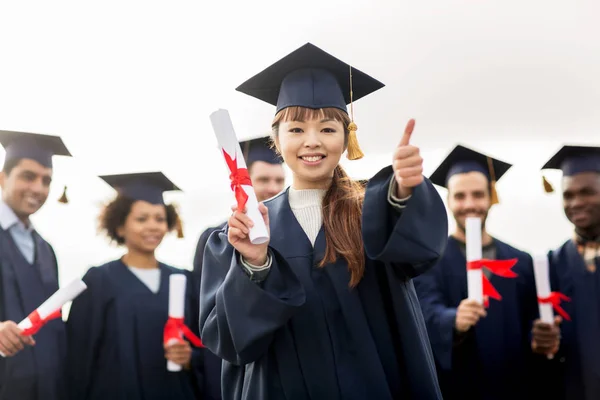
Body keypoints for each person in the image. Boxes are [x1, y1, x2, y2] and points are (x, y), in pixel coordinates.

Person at [199, 42, 448, 399]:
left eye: (328, 129)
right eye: (296, 129)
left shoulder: (374, 214)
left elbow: (417, 252)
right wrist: (255, 265)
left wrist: (405, 192)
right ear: (276, 139)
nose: (312, 142)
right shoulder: (241, 233)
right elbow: (230, 342)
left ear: (348, 138)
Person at [413, 144, 542, 400]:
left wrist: (541, 337)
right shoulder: (429, 261)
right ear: (448, 200)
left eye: (478, 194)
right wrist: (453, 320)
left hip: (515, 387)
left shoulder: (520, 261)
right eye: (460, 196)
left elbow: (531, 323)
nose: (469, 204)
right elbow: (425, 313)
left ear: (490, 196)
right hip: (458, 387)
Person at [66, 172, 203, 400]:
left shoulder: (184, 281)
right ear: (120, 227)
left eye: (159, 219)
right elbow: (80, 355)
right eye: (141, 219)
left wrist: (190, 358)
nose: (152, 226)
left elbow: (207, 346)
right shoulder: (99, 280)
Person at [192, 136, 285, 400]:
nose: (272, 187)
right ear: (245, 184)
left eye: (279, 180)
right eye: (263, 180)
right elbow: (207, 312)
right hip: (235, 358)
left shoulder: (292, 233)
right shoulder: (218, 238)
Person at [0, 130, 72, 400]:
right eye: (28, 177)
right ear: (2, 177)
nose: (38, 189)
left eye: (46, 180)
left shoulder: (45, 250)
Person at [535, 145, 600, 400]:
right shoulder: (551, 264)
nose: (576, 203)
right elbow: (535, 326)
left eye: (587, 192)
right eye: (568, 195)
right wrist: (538, 337)